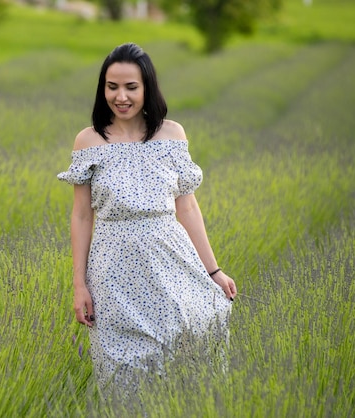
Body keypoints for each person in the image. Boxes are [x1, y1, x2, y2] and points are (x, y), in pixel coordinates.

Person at [57, 43, 237, 393]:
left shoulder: (171, 135)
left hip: (171, 260)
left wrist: (213, 270)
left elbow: (187, 208)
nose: (120, 96)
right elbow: (81, 217)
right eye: (112, 87)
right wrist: (79, 285)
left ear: (147, 88)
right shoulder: (88, 141)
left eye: (131, 87)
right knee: (122, 368)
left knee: (186, 348)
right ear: (102, 89)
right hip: (113, 269)